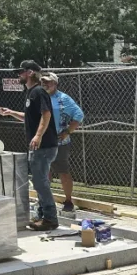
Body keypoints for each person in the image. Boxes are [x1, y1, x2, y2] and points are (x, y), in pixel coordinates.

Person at [0, 60, 59, 231]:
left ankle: (51, 218)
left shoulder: (38, 91)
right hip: (40, 145)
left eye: (21, 71)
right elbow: (30, 117)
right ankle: (41, 216)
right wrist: (10, 113)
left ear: (30, 72)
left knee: (40, 183)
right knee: (39, 181)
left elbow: (46, 115)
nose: (19, 75)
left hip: (44, 145)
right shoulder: (32, 93)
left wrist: (38, 136)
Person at [39, 72, 84, 213]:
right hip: (42, 141)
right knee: (44, 173)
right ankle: (45, 201)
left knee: (63, 172)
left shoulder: (63, 99)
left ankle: (68, 201)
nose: (46, 84)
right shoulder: (39, 97)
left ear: (55, 83)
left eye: (49, 82)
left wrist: (67, 132)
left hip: (59, 144)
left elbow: (79, 115)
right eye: (43, 82)